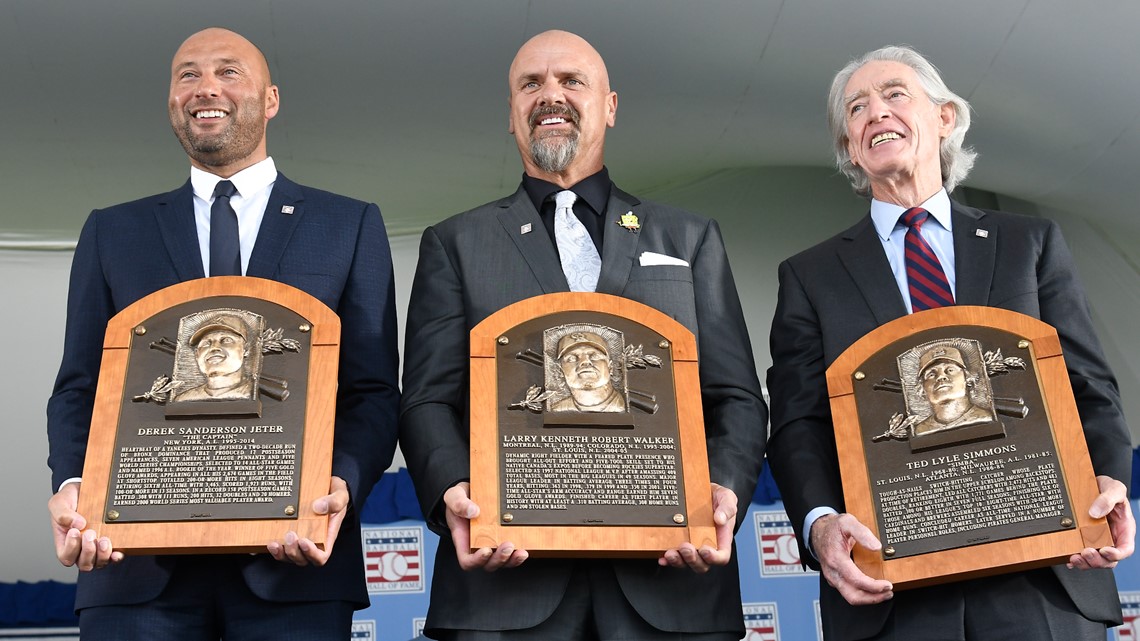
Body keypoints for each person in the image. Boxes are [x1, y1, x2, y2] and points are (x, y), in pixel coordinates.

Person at [399, 29, 767, 641]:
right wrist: (452, 496)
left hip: (672, 586)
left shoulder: (688, 237)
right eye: (530, 84)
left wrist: (721, 496)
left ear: (610, 106)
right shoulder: (455, 243)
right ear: (510, 113)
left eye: (571, 81)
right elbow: (428, 399)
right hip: (505, 590)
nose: (550, 95)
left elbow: (736, 396)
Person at [765, 45, 1135, 640]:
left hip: (1046, 575)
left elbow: (1088, 385)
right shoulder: (810, 276)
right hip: (893, 592)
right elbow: (798, 421)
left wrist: (1109, 482)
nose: (874, 113)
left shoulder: (1029, 243)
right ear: (848, 149)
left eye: (893, 95)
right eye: (856, 109)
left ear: (944, 118)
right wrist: (819, 522)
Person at [45, 27, 400, 640]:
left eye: (229, 71)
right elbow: (79, 387)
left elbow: (372, 390)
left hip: (294, 566)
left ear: (271, 100)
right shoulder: (113, 231)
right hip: (132, 571)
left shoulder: (349, 224)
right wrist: (74, 488)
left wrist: (338, 483)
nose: (205, 87)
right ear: (172, 103)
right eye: (187, 74)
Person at [911, 345, 992, 436]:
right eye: (931, 374)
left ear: (968, 379)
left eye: (950, 370)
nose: (941, 376)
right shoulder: (921, 430)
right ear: (922, 389)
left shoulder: (985, 417)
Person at [176, 314, 256, 402]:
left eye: (226, 340)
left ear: (246, 349)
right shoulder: (183, 399)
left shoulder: (255, 393)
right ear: (196, 354)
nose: (214, 347)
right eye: (206, 343)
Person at [550, 330, 625, 413]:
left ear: (610, 368)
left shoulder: (626, 406)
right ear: (560, 371)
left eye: (594, 356)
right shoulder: (556, 409)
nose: (585, 361)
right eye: (572, 358)